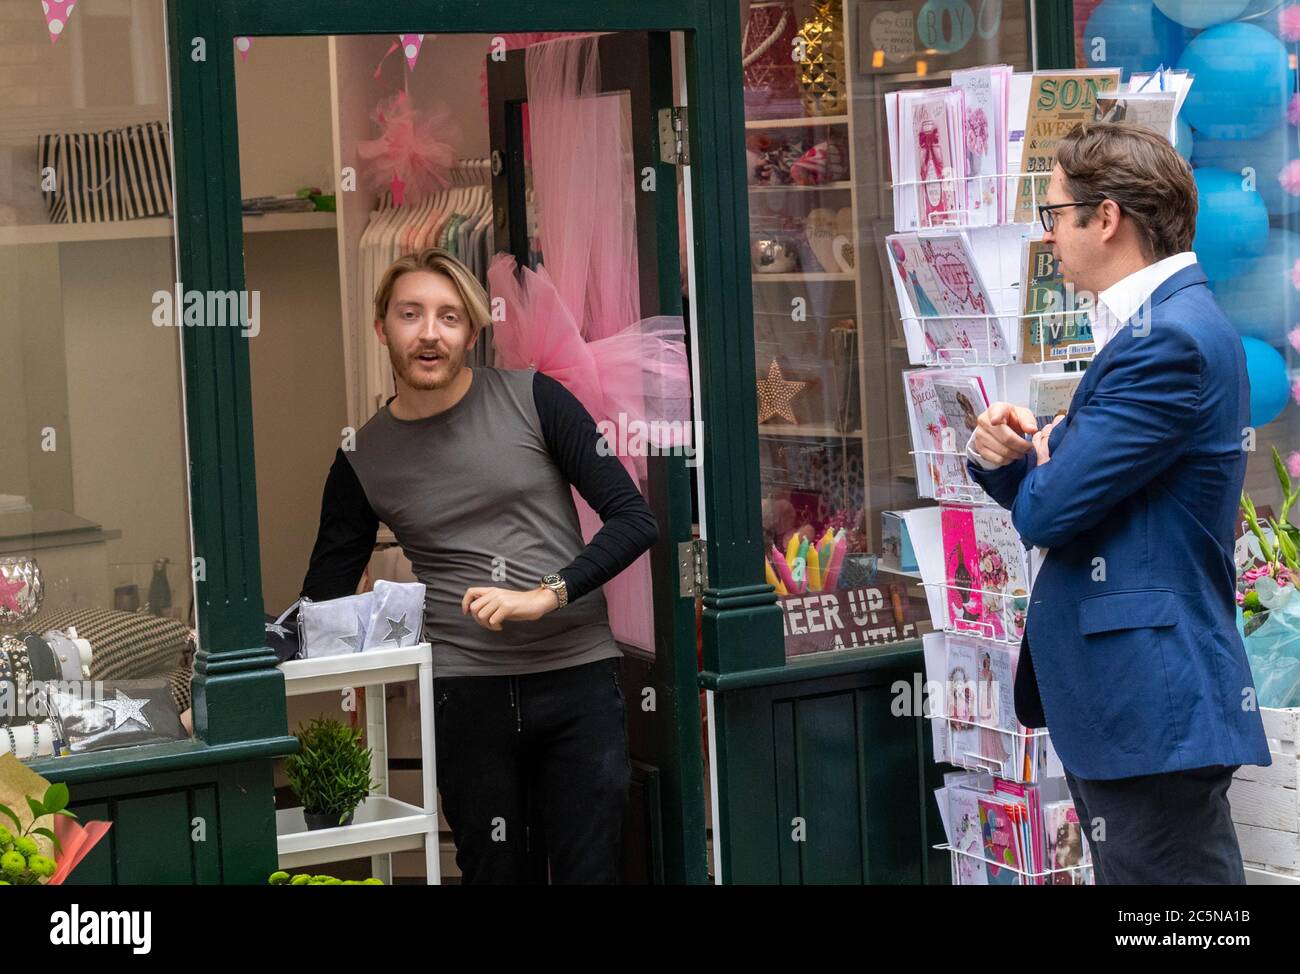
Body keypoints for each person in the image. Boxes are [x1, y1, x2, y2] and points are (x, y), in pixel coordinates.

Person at [965, 122, 1270, 884]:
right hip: (1133, 703)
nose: (1050, 239)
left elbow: (1047, 513)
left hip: (1150, 701)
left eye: (1055, 216)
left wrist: (1041, 459)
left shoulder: (1168, 337)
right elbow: (1073, 498)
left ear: (1106, 218)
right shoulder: (1161, 326)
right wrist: (1021, 457)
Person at [299, 247, 658, 884]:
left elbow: (635, 518)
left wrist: (546, 593)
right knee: (493, 872)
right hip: (465, 696)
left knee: (590, 872)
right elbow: (322, 605)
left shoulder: (536, 399)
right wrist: (225, 673)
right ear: (382, 328)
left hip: (577, 680)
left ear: (471, 329)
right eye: (411, 315)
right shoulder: (361, 458)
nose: (430, 333)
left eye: (449, 316)